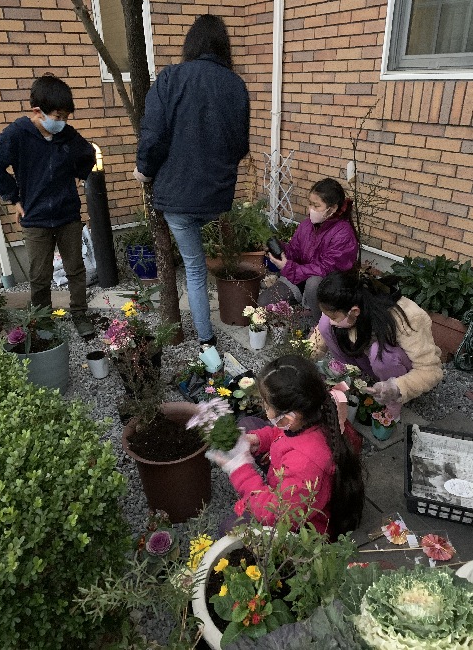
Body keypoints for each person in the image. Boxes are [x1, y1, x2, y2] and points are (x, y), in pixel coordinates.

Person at [134, 14, 250, 348]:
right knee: (201, 264)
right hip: (216, 198)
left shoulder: (170, 78)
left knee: (195, 269)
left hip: (177, 198)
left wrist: (144, 169)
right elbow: (240, 145)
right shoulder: (235, 84)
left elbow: (153, 136)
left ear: (192, 44)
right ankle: (209, 335)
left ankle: (206, 341)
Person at [206, 355, 364, 539]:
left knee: (229, 528)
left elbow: (276, 515)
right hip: (296, 480)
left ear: (289, 417)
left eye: (266, 404)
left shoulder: (305, 464)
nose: (263, 407)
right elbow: (283, 434)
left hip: (304, 525)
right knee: (249, 424)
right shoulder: (317, 412)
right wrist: (257, 439)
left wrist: (239, 468)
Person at [0, 74, 96, 336]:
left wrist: (80, 172)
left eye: (66, 117)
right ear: (38, 111)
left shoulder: (67, 135)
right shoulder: (18, 134)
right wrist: (14, 197)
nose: (62, 122)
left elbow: (88, 154)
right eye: (58, 116)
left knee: (76, 269)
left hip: (68, 214)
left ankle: (80, 314)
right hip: (35, 218)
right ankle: (43, 321)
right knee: (39, 275)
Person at [310, 270, 444, 419]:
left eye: (334, 317)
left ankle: (392, 402)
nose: (331, 321)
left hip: (400, 370)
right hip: (371, 364)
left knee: (381, 353)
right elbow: (317, 342)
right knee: (324, 325)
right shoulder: (343, 303)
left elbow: (431, 371)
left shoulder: (408, 317)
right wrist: (300, 359)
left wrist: (397, 387)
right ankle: (351, 378)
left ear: (354, 311)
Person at [258, 178, 358, 326]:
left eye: (316, 205)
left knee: (314, 283)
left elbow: (325, 269)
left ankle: (319, 327)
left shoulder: (343, 233)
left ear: (333, 208)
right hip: (302, 278)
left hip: (328, 288)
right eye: (310, 203)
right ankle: (306, 309)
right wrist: (280, 249)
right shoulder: (307, 225)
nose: (311, 209)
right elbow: (294, 251)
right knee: (264, 302)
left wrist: (289, 268)